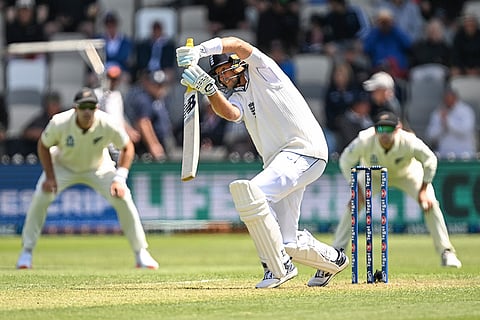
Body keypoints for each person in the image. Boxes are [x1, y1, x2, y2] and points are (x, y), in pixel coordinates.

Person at [176, 36, 349, 288]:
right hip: (282, 161)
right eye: (217, 75)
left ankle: (277, 267)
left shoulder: (262, 70)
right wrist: (209, 90)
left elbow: (237, 44)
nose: (222, 78)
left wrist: (201, 50)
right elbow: (231, 113)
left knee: (253, 192)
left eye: (224, 70)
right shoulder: (237, 96)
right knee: (286, 240)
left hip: (304, 151)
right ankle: (333, 261)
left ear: (238, 65)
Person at [15, 87, 158, 270]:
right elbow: (43, 145)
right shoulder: (60, 122)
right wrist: (50, 177)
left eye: (91, 106)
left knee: (123, 198)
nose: (87, 111)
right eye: (83, 107)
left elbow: (127, 147)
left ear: (97, 108)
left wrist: (120, 178)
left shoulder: (107, 122)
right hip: (62, 166)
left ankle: (141, 253)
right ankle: (26, 252)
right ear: (75, 109)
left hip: (99, 167)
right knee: (40, 198)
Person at [333, 111, 462, 269]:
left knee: (431, 204)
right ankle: (337, 252)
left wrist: (423, 189)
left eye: (389, 129)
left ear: (398, 129)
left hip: (407, 174)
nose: (384, 134)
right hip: (373, 175)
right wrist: (356, 188)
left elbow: (430, 159)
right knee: (353, 205)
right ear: (375, 129)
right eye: (380, 129)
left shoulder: (409, 141)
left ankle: (446, 252)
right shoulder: (364, 139)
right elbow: (345, 161)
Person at [124, 70, 174, 161]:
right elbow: (143, 123)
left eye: (161, 85)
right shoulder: (144, 100)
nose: (160, 88)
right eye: (156, 85)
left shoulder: (158, 99)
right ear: (148, 84)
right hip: (148, 149)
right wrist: (153, 145)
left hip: (163, 142)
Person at [425, 87, 476, 159]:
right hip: (444, 155)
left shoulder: (466, 111)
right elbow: (430, 135)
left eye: (450, 98)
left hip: (464, 155)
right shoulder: (437, 113)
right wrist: (442, 126)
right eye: (446, 99)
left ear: (455, 98)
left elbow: (466, 131)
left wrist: (448, 122)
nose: (448, 101)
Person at [21, 91, 63, 156]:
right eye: (52, 104)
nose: (54, 107)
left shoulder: (65, 117)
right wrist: (33, 133)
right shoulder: (41, 118)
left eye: (56, 104)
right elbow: (25, 132)